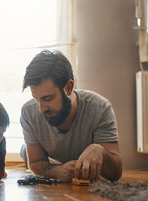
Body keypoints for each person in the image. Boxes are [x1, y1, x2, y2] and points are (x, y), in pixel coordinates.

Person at [20, 50, 123, 182]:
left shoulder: (100, 108)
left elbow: (115, 173)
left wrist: (100, 151)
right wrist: (57, 171)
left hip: (65, 156)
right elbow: (35, 163)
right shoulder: (29, 112)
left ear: (68, 87)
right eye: (36, 99)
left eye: (48, 98)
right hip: (48, 155)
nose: (41, 108)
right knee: (25, 152)